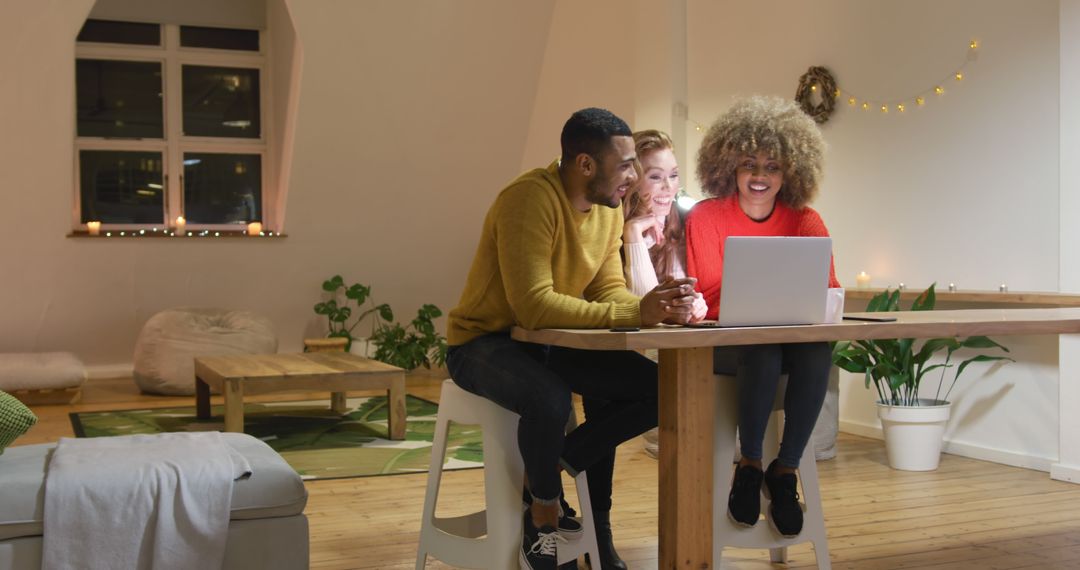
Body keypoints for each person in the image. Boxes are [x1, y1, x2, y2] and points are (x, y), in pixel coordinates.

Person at [446, 107, 698, 570]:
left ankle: (558, 464)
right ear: (585, 164)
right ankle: (543, 510)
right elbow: (533, 306)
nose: (634, 176)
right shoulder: (528, 200)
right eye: (625, 164)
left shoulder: (607, 210)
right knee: (550, 399)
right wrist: (632, 312)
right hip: (483, 342)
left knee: (661, 388)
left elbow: (606, 288)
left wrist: (654, 310)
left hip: (546, 341)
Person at [685, 95, 840, 538]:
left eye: (772, 166)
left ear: (790, 170)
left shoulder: (806, 220)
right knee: (763, 346)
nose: (759, 176)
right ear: (728, 165)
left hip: (791, 346)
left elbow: (827, 288)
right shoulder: (706, 217)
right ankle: (749, 463)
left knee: (815, 351)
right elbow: (710, 295)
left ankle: (784, 470)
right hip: (725, 348)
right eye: (749, 163)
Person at [620, 129, 707, 459]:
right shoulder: (615, 224)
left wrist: (696, 303)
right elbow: (644, 306)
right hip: (634, 344)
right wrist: (633, 235)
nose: (669, 187)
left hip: (683, 340)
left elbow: (692, 290)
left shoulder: (684, 221)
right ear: (633, 180)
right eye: (655, 177)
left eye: (673, 175)